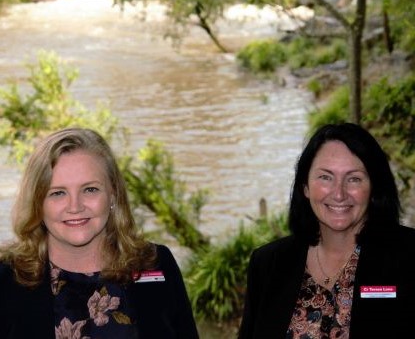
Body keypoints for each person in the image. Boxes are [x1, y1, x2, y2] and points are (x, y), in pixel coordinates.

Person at [0, 128, 199, 339]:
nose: (75, 206)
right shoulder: (7, 279)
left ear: (113, 194)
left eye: (90, 189)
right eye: (58, 193)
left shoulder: (154, 264)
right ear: (38, 202)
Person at [238, 122, 415, 338]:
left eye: (354, 179)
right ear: (305, 186)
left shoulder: (410, 258)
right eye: (325, 177)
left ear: (374, 188)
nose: (339, 194)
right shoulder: (267, 264)